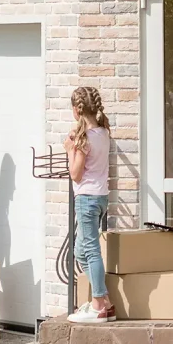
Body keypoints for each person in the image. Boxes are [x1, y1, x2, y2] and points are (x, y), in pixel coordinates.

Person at [64, 86, 115, 324]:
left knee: (91, 251)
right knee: (80, 251)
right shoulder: (103, 132)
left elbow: (75, 174)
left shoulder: (83, 140)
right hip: (101, 197)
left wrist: (69, 150)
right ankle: (105, 301)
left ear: (77, 110)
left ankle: (97, 305)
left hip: (86, 198)